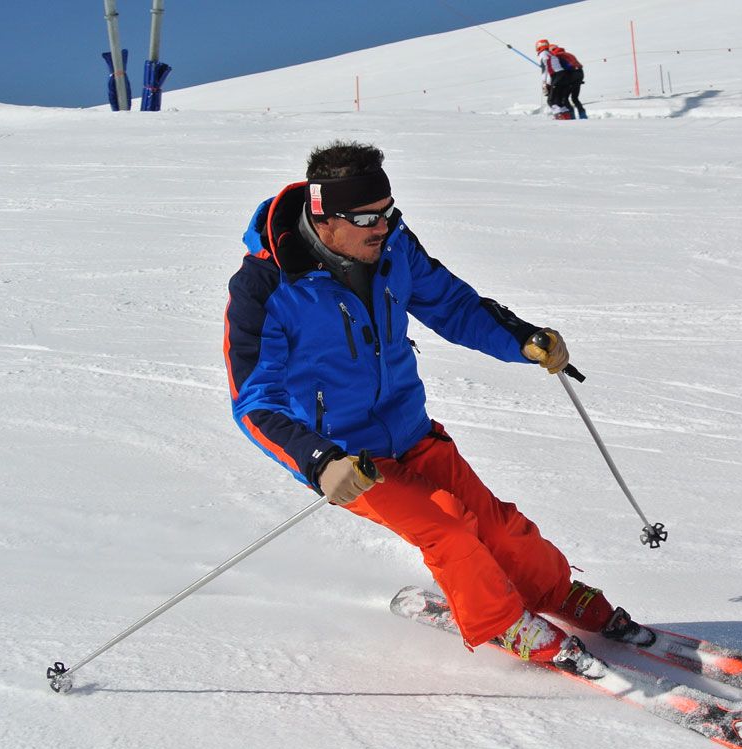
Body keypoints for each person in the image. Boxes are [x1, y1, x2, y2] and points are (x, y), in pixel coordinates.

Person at [224, 140, 653, 667]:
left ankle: (554, 592)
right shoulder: (266, 286)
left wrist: (518, 337)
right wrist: (318, 460)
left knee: (497, 525)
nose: (381, 227)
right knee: (450, 530)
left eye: (387, 212)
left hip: (411, 431)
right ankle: (502, 623)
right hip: (349, 461)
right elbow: (255, 402)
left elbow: (451, 304)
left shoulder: (393, 248)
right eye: (365, 218)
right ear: (324, 216)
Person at [535, 38, 574, 120]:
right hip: (562, 76)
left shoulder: (543, 54)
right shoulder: (550, 53)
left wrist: (544, 83)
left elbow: (545, 69)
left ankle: (559, 116)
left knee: (551, 100)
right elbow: (551, 70)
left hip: (558, 76)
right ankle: (567, 116)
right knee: (558, 99)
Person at [551, 43, 587, 119]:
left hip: (571, 75)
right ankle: (583, 114)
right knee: (575, 98)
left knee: (565, 98)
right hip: (580, 74)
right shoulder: (568, 54)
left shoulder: (556, 56)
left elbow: (561, 69)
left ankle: (571, 115)